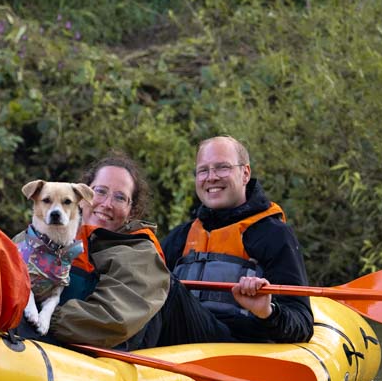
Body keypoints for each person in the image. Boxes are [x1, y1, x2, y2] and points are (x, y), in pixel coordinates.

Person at [159, 134, 313, 344]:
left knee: (167, 286)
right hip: (182, 343)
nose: (211, 177)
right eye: (203, 170)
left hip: (237, 345)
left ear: (245, 173)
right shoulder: (181, 236)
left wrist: (267, 310)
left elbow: (302, 323)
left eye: (222, 167)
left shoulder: (274, 235)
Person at [42, 153, 172, 350]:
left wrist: (42, 317)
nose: (107, 203)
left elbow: (112, 319)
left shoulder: (140, 252)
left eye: (120, 198)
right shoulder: (46, 231)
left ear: (132, 210)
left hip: (89, 356)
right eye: (100, 191)